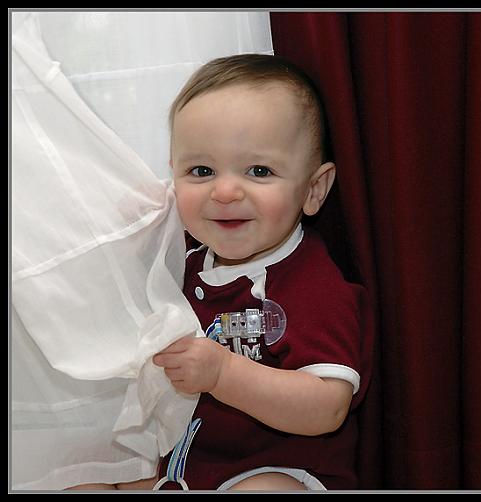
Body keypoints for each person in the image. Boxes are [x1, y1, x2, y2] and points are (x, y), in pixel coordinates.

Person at [149, 54, 371, 491]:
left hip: (279, 469)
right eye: (201, 170)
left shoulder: (309, 285)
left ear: (313, 189)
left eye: (259, 170)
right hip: (186, 468)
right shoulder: (185, 262)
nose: (226, 191)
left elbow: (328, 406)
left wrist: (222, 374)